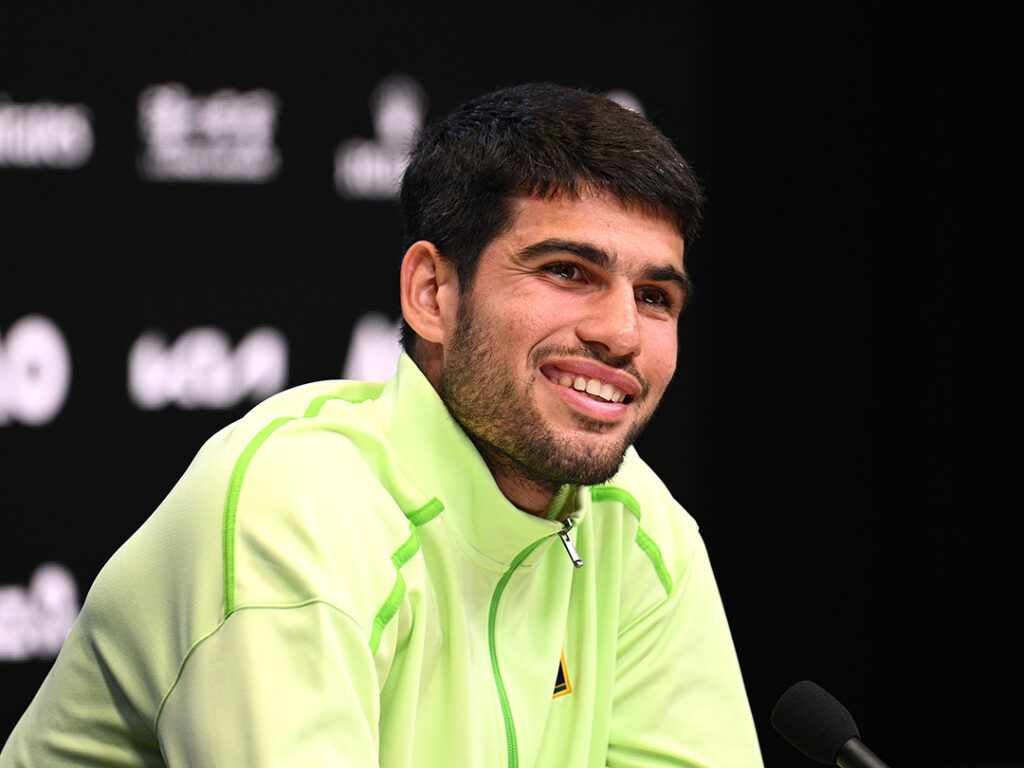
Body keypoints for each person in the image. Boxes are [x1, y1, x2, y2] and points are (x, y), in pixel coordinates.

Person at [0, 83, 763, 767]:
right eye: (568, 272)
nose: (623, 333)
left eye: (656, 297)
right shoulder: (297, 506)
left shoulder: (642, 528)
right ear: (432, 292)